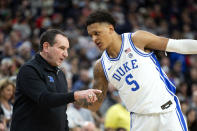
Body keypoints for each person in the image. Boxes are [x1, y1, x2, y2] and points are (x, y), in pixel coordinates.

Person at [77, 10, 197, 131]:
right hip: (140, 120)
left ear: (110, 28)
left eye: (97, 33)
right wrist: (72, 98)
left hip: (167, 112)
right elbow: (95, 104)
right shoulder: (100, 66)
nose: (94, 39)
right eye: (91, 35)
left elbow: (177, 45)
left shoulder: (136, 39)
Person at [10, 29, 102, 131]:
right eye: (62, 48)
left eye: (67, 49)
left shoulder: (61, 74)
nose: (66, 54)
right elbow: (45, 99)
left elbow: (62, 113)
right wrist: (76, 95)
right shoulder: (29, 70)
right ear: (46, 47)